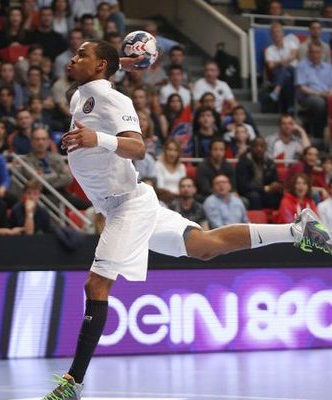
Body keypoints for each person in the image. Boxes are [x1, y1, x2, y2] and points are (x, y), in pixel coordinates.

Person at [41, 38, 331, 400]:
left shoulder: (116, 99)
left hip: (128, 205)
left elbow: (138, 147)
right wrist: (119, 65)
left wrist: (96, 137)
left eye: (83, 54)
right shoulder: (82, 94)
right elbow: (92, 90)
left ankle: (73, 384)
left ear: (99, 66)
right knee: (203, 247)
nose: (74, 58)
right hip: (123, 203)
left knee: (96, 286)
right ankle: (297, 229)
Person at [296, 42, 332, 138]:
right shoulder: (302, 66)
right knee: (319, 103)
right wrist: (319, 94)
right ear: (308, 53)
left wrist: (329, 92)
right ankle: (318, 135)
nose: (315, 55)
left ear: (321, 54)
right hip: (308, 96)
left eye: (318, 52)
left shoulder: (328, 67)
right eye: (313, 52)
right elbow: (301, 87)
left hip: (327, 95)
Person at [236, 136, 283, 210]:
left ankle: (277, 220)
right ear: (251, 148)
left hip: (264, 192)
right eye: (256, 146)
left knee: (279, 195)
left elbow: (275, 179)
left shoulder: (269, 163)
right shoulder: (243, 162)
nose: (259, 149)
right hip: (249, 193)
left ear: (265, 148)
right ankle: (258, 219)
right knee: (254, 196)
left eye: (262, 146)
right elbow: (243, 186)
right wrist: (265, 188)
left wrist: (276, 185)